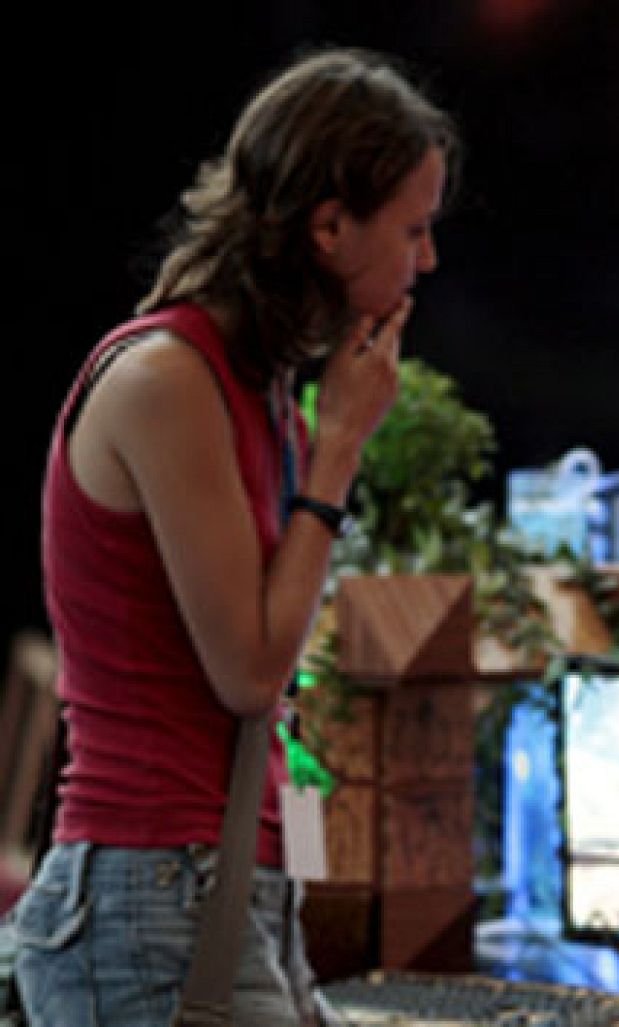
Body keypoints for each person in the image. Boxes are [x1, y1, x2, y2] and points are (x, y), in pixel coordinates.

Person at [11, 45, 455, 1025]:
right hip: (149, 899)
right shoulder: (168, 380)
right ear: (330, 227)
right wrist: (338, 450)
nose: (427, 259)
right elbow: (250, 672)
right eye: (414, 228)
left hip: (225, 892)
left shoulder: (258, 394)